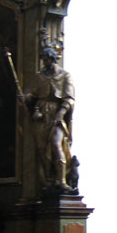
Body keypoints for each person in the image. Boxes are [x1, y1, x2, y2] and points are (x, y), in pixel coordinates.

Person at [20, 44, 74, 193]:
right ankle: (49, 179)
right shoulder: (39, 76)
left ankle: (62, 180)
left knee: (56, 144)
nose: (45, 63)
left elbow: (69, 98)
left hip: (57, 113)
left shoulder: (65, 76)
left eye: (47, 60)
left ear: (53, 59)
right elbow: (32, 93)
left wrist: (61, 113)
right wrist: (25, 97)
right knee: (42, 148)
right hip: (42, 114)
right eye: (43, 60)